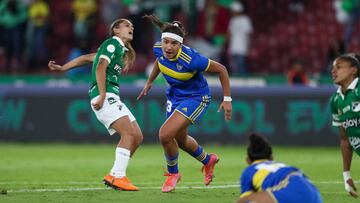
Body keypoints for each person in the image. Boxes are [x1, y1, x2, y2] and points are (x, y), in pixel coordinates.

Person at [137, 14, 232, 193]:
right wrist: (150, 81)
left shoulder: (192, 59)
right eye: (166, 42)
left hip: (196, 98)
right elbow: (159, 61)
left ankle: (173, 174)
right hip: (175, 97)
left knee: (165, 135)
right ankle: (208, 160)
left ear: (181, 44)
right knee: (180, 141)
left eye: (174, 44)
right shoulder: (158, 48)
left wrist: (227, 99)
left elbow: (222, 69)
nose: (168, 47)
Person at [48, 18, 143, 191]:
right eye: (127, 25)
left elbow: (87, 58)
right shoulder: (112, 44)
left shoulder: (117, 49)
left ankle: (115, 174)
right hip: (104, 96)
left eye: (132, 26)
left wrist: (63, 68)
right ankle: (118, 177)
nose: (131, 28)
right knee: (129, 133)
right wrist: (102, 94)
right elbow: (100, 67)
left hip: (110, 96)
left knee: (137, 136)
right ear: (116, 30)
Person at [237, 133, 323, 203]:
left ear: (248, 160)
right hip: (313, 192)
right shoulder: (282, 165)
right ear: (272, 158)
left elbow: (247, 200)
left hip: (290, 191)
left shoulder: (251, 170)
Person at [330, 53, 360, 198]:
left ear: (353, 70)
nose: (333, 71)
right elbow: (345, 139)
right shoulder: (335, 101)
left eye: (339, 67)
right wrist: (346, 174)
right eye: (333, 68)